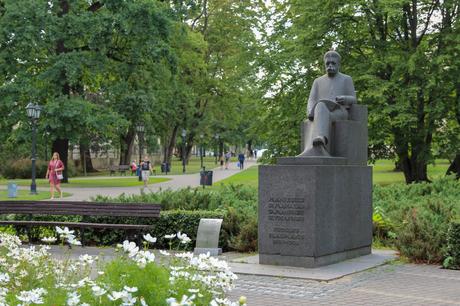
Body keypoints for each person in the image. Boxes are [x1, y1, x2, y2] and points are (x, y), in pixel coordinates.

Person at [298, 50, 356, 157]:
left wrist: (345, 98)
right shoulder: (318, 81)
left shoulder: (346, 79)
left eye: (333, 63)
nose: (330, 66)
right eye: (327, 63)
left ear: (338, 64)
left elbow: (353, 98)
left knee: (320, 108)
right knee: (320, 106)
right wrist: (310, 111)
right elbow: (311, 99)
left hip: (339, 112)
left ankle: (319, 140)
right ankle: (319, 142)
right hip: (321, 110)